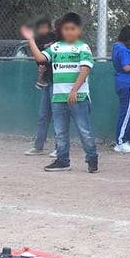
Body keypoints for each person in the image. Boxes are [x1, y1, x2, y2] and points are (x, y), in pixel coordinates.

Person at [22, 13, 98, 173]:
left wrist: (74, 90)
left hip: (78, 98)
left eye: (72, 28)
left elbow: (86, 69)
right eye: (66, 29)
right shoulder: (55, 48)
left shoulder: (83, 47)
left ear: (78, 30)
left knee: (84, 131)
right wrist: (30, 40)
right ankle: (63, 160)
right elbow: (41, 58)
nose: (69, 32)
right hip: (58, 98)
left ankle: (92, 158)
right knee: (60, 131)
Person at [25, 17, 58, 156]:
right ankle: (38, 146)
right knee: (43, 115)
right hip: (46, 81)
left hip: (57, 81)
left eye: (45, 26)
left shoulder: (56, 38)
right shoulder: (38, 40)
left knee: (58, 116)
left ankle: (59, 147)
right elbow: (37, 55)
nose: (43, 29)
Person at [112, 24, 130, 153]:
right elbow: (126, 67)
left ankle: (128, 139)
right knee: (127, 112)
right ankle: (120, 141)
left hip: (127, 83)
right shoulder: (122, 49)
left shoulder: (123, 47)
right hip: (128, 83)